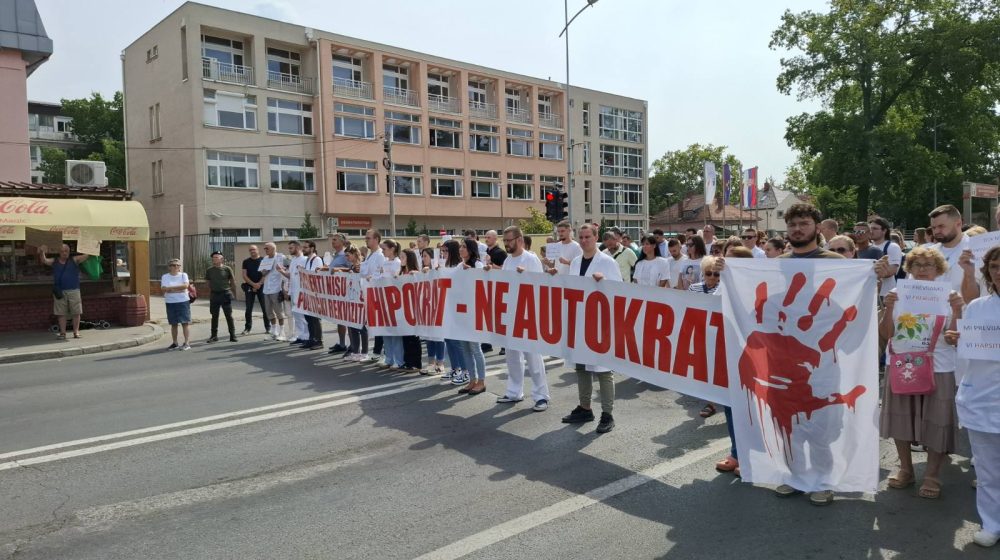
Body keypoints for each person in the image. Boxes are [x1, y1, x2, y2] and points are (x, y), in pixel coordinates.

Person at [770, 203, 844, 504]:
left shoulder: (835, 261)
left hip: (822, 357)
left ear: (816, 226)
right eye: (792, 225)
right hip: (785, 357)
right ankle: (795, 477)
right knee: (790, 425)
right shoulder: (780, 262)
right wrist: (731, 272)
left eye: (803, 223)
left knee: (819, 425)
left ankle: (823, 480)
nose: (797, 229)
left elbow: (849, 301)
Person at [879, 246, 964, 500]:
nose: (924, 269)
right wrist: (888, 308)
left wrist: (958, 311)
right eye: (918, 265)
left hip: (939, 366)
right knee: (901, 418)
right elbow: (887, 335)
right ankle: (906, 469)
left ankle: (932, 475)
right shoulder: (897, 293)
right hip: (903, 364)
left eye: (929, 265)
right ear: (910, 268)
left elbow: (953, 340)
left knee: (937, 420)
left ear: (939, 269)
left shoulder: (950, 295)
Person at [946, 245, 1000, 547]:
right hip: (984, 400)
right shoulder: (977, 308)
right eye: (994, 266)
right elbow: (970, 356)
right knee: (989, 470)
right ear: (988, 271)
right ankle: (992, 523)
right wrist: (959, 341)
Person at [560, 223, 623, 434]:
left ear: (596, 238)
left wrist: (603, 282)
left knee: (604, 369)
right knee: (581, 367)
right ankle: (585, 407)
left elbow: (619, 289)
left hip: (600, 322)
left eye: (588, 236)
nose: (584, 240)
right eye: (582, 237)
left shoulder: (607, 262)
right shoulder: (576, 262)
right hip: (580, 321)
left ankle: (608, 413)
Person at [495, 225, 550, 409]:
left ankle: (541, 395)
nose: (506, 244)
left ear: (519, 240)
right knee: (512, 356)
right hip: (511, 313)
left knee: (533, 356)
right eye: (504, 241)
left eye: (508, 241)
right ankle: (514, 391)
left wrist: (525, 275)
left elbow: (540, 284)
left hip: (528, 314)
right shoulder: (508, 261)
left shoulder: (531, 259)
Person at [455, 239, 489, 391]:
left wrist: (473, 273)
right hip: (461, 311)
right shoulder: (458, 266)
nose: (461, 249)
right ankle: (472, 379)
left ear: (471, 249)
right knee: (465, 348)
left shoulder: (478, 265)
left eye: (464, 247)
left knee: (475, 347)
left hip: (474, 312)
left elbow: (482, 286)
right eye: (460, 246)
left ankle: (481, 381)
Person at [37, 243, 89, 339]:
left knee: (76, 312)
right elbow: (44, 260)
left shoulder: (74, 260)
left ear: (69, 252)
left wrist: (94, 245)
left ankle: (76, 332)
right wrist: (42, 252)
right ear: (59, 252)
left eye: (66, 251)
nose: (64, 253)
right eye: (62, 251)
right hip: (60, 291)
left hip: (74, 290)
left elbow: (87, 255)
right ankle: (63, 333)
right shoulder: (55, 261)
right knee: (61, 313)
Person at [438, 240, 469, 384]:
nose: (443, 254)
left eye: (445, 251)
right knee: (448, 339)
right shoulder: (445, 266)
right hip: (447, 305)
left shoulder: (459, 266)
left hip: (458, 306)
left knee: (457, 341)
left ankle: (466, 370)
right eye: (442, 251)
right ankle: (455, 367)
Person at [360, 229, 386, 362]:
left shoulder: (380, 256)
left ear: (376, 239)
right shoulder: (370, 255)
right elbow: (363, 272)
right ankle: (377, 350)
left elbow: (381, 274)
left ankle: (379, 351)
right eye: (366, 238)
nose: (366, 240)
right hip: (369, 292)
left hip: (377, 293)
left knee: (379, 324)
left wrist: (372, 278)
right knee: (373, 323)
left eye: (369, 238)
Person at [418, 247, 446, 374]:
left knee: (438, 336)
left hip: (438, 306)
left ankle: (440, 363)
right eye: (422, 256)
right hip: (426, 307)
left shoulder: (438, 269)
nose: (423, 259)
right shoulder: (421, 272)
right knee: (429, 335)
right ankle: (431, 362)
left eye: (425, 256)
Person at [378, 239, 405, 368]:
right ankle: (389, 358)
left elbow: (397, 279)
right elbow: (381, 277)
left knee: (395, 332)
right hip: (384, 299)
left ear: (392, 249)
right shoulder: (385, 262)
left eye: (384, 249)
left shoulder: (397, 262)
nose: (382, 251)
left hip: (394, 300)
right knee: (386, 331)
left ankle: (398, 360)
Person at [205, 251, 239, 343]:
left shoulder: (227, 269)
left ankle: (232, 335)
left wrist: (234, 293)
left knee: (228, 315)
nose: (214, 259)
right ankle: (214, 336)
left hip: (225, 294)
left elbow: (232, 281)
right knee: (214, 316)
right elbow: (208, 282)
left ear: (221, 259)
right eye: (213, 257)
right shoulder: (209, 270)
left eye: (216, 257)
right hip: (214, 295)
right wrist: (210, 293)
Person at [343, 246, 370, 362]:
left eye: (348, 255)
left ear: (354, 254)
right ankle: (355, 351)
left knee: (362, 327)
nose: (347, 258)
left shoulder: (362, 265)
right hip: (352, 299)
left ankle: (364, 352)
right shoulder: (353, 266)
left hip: (361, 299)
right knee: (352, 326)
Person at [399, 248, 423, 372]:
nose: (401, 260)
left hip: (413, 310)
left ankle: (416, 363)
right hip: (403, 309)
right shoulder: (401, 274)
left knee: (413, 337)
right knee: (405, 337)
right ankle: (408, 361)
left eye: (403, 257)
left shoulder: (415, 273)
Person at [160, 258, 192, 350]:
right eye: (174, 265)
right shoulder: (165, 276)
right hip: (170, 302)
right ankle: (175, 343)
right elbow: (163, 288)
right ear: (169, 267)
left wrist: (170, 289)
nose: (176, 267)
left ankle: (187, 343)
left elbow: (186, 286)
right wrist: (179, 289)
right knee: (173, 323)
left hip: (183, 301)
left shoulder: (183, 275)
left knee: (185, 323)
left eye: (178, 265)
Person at [282, 241, 309, 346]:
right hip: (294, 292)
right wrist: (281, 271)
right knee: (296, 315)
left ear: (298, 247)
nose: (289, 250)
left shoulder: (305, 260)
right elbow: (290, 276)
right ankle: (300, 336)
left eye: (291, 248)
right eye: (289, 248)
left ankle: (307, 336)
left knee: (303, 315)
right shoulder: (293, 260)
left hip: (302, 292)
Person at [259, 242, 287, 341]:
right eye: (265, 248)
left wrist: (284, 288)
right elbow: (262, 272)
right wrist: (264, 271)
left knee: (279, 311)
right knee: (269, 312)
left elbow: (287, 270)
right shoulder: (265, 259)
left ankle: (282, 331)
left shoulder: (281, 257)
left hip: (276, 288)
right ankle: (274, 331)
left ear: (274, 249)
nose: (265, 250)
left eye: (267, 248)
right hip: (266, 289)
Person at [300, 240, 325, 350]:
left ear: (312, 248)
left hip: (315, 293)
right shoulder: (307, 260)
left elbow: (316, 275)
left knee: (315, 318)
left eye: (305, 247)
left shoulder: (317, 259)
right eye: (303, 247)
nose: (303, 249)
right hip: (308, 292)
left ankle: (318, 341)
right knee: (308, 317)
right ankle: (311, 338)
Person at [328, 233, 350, 354]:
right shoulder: (335, 255)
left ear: (342, 242)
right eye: (332, 240)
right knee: (340, 319)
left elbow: (353, 269)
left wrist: (339, 270)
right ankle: (342, 343)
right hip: (336, 292)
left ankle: (353, 346)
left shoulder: (346, 254)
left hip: (345, 292)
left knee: (348, 320)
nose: (333, 242)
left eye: (335, 240)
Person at [870, 217, 903, 299]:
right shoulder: (868, 246)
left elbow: (892, 271)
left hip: (886, 294)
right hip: (870, 293)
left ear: (884, 231)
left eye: (875, 228)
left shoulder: (892, 247)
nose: (871, 231)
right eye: (870, 228)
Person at [240, 245, 269, 336]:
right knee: (248, 309)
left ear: (258, 250)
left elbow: (266, 274)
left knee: (265, 308)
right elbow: (244, 275)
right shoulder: (246, 261)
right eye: (250, 250)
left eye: (254, 249)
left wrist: (259, 284)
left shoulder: (264, 260)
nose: (252, 251)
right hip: (250, 287)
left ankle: (268, 327)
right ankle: (247, 328)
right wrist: (253, 285)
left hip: (262, 287)